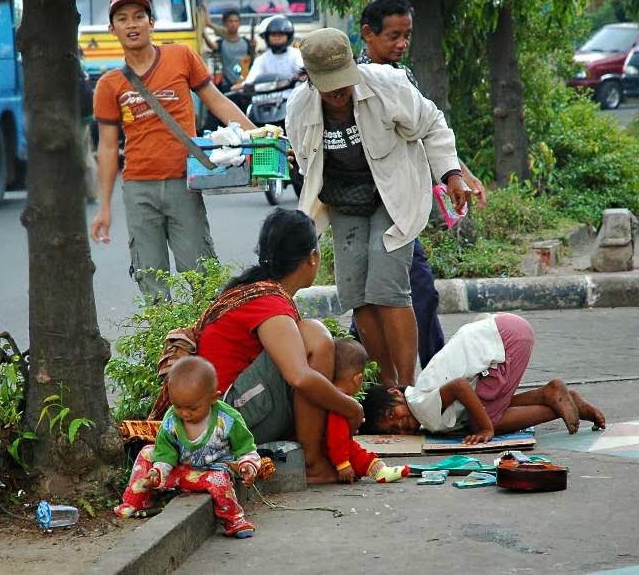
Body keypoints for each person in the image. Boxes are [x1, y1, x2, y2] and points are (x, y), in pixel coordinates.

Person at [285, 28, 468, 389]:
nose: (339, 92)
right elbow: (308, 166)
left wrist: (451, 175)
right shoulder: (299, 108)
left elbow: (432, 124)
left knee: (387, 288)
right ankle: (387, 383)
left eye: (343, 81)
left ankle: (407, 385)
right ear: (311, 80)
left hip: (393, 194)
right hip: (344, 200)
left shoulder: (387, 85)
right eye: (329, 84)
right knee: (357, 293)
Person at [89, 0, 255, 299]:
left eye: (139, 16)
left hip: (183, 182)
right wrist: (104, 208)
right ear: (112, 29)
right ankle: (167, 346)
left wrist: (259, 136)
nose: (132, 24)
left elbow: (217, 102)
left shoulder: (181, 56)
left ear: (152, 22)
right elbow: (108, 147)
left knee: (202, 277)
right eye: (122, 19)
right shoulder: (109, 84)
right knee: (151, 282)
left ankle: (207, 345)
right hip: (139, 189)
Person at [354, 0, 487, 369]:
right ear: (367, 34)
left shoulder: (402, 76)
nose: (401, 44)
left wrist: (458, 173)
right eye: (393, 36)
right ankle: (428, 377)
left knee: (391, 295)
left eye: (406, 36)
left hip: (402, 205)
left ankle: (403, 377)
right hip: (378, 204)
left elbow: (427, 128)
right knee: (406, 292)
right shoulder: (357, 82)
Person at [196, 208, 365, 484]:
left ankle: (314, 453)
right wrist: (351, 408)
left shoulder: (260, 289)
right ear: (312, 258)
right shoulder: (268, 301)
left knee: (308, 339)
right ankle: (311, 463)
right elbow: (299, 376)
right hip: (226, 420)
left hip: (225, 413)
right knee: (315, 337)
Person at [359, 313, 606, 442]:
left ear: (395, 393)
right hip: (507, 331)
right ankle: (549, 394)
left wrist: (486, 428)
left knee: (485, 422)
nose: (400, 425)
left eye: (393, 416)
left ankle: (559, 405)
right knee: (485, 410)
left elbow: (458, 387)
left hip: (507, 340)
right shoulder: (421, 397)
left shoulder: (421, 406)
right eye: (393, 430)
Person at [115, 356, 260, 538]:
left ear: (213, 398)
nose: (184, 413)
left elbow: (246, 448)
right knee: (147, 452)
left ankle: (234, 520)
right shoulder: (171, 419)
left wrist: (247, 465)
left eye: (192, 408)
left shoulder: (228, 419)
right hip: (179, 473)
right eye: (178, 406)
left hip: (210, 474)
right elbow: (165, 451)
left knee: (219, 480)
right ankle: (135, 501)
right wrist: (158, 471)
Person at [326, 339, 410, 484]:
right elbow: (336, 437)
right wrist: (343, 465)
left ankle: (376, 469)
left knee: (358, 452)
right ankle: (380, 472)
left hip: (335, 447)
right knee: (358, 454)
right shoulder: (339, 402)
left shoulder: (330, 395)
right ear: (358, 379)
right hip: (335, 449)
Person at [237, 15, 303, 89]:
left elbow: (302, 74)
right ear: (267, 37)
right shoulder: (261, 59)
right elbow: (251, 80)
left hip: (292, 96)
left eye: (281, 34)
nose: (277, 38)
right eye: (273, 34)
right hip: (265, 98)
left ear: (289, 36)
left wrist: (292, 81)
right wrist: (242, 86)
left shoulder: (296, 55)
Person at [202, 8, 255, 92]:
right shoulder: (222, 43)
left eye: (236, 21)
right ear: (225, 24)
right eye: (230, 21)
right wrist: (203, 34)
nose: (233, 24)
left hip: (245, 84)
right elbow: (212, 45)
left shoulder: (247, 42)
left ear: (239, 23)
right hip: (227, 84)